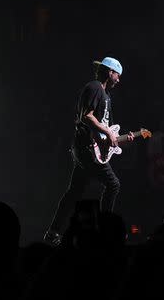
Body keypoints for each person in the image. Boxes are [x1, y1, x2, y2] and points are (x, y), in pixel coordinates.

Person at [44, 57, 134, 246]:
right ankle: (105, 230)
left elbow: (104, 132)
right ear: (110, 72)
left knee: (74, 192)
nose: (119, 79)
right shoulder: (94, 87)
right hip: (86, 149)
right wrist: (108, 132)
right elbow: (87, 117)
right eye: (118, 74)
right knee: (113, 184)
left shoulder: (106, 96)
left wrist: (116, 139)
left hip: (89, 148)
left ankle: (53, 232)